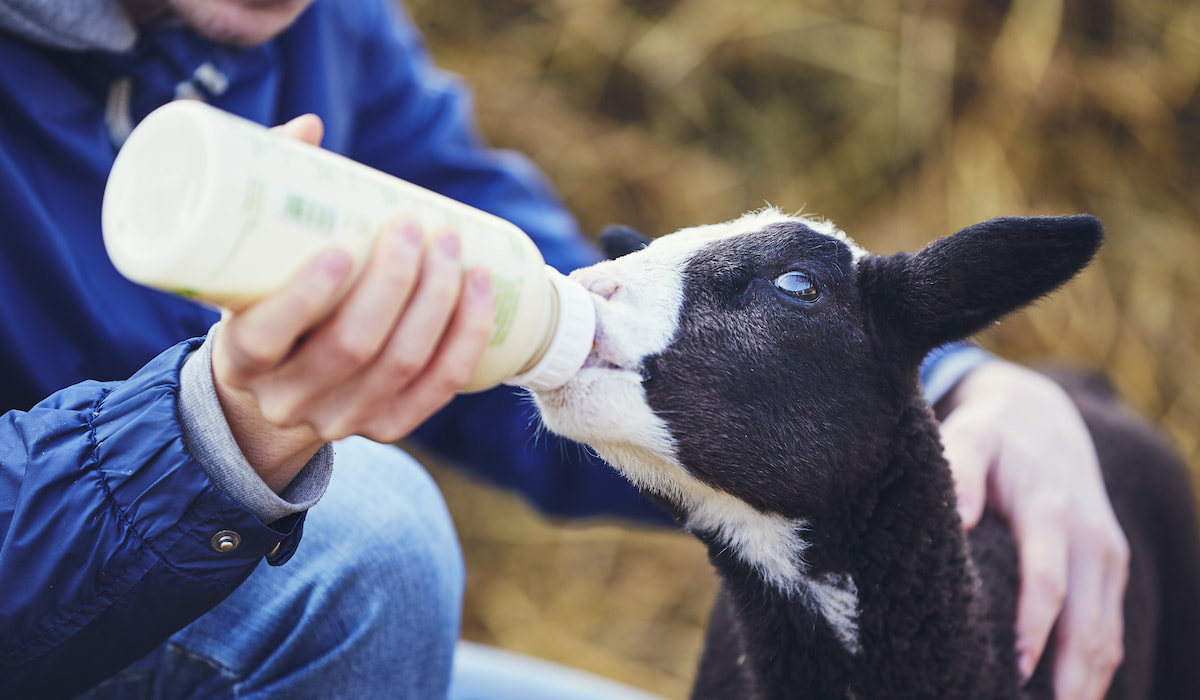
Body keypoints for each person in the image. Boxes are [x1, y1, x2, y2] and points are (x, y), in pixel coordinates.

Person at [0, 1, 1128, 699]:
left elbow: (536, 303)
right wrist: (209, 436)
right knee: (373, 542)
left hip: (205, 593)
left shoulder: (310, 20)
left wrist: (951, 383)